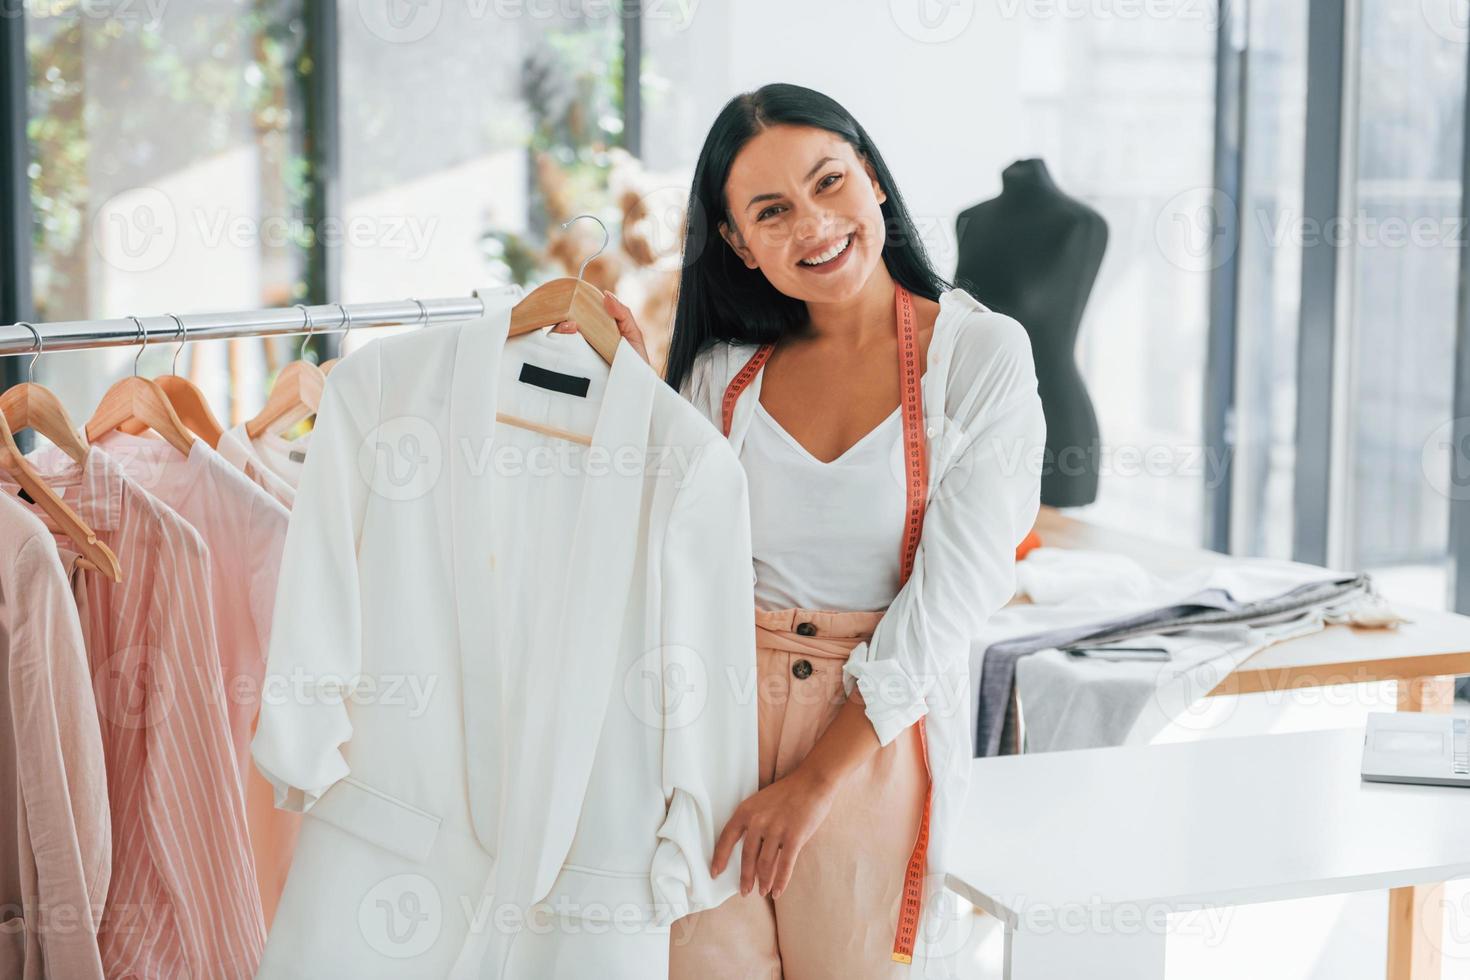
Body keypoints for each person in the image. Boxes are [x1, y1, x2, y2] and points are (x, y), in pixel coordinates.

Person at [552, 82, 1045, 979]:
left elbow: (953, 599)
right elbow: (660, 555)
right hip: (715, 723)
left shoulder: (978, 357)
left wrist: (814, 784)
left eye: (828, 184)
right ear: (738, 243)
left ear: (875, 183)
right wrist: (624, 391)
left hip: (874, 735)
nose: (813, 224)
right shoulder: (721, 376)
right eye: (771, 211)